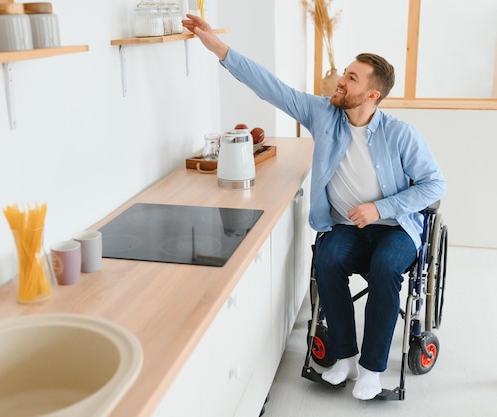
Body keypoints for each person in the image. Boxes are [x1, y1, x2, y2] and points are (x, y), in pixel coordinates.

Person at [182, 15, 446, 400]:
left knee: (388, 266)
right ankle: (345, 358)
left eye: (352, 78)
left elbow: (435, 184)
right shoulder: (323, 114)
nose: (341, 80)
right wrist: (220, 50)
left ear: (373, 95)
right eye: (345, 73)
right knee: (327, 259)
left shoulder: (400, 134)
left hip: (395, 228)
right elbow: (270, 87)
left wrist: (380, 207)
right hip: (345, 227)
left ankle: (372, 369)